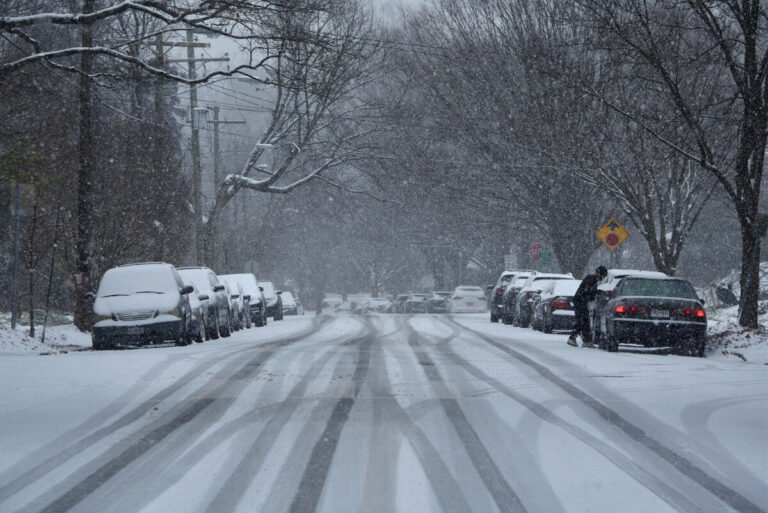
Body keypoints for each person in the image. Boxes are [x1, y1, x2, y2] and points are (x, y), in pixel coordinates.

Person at [567, 265, 608, 348]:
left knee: (584, 320)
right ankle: (576, 339)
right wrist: (596, 293)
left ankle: (585, 340)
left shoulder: (592, 278)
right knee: (583, 320)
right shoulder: (592, 279)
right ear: (600, 274)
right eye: (603, 276)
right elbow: (588, 291)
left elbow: (588, 291)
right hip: (580, 301)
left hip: (580, 301)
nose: (602, 278)